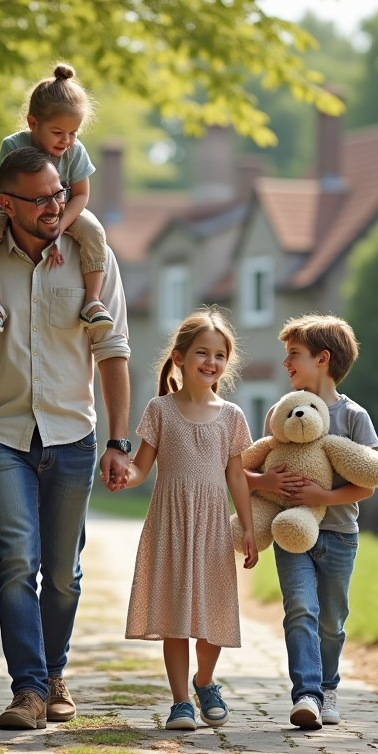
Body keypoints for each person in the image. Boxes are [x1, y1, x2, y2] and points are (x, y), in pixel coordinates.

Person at [0, 146, 132, 730]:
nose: (55, 206)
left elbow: (113, 351)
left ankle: (54, 673)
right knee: (17, 562)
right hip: (1, 436)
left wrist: (119, 441)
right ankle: (27, 689)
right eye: (41, 198)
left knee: (65, 572)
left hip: (73, 434)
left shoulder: (90, 257)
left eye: (58, 193)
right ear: (7, 203)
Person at [121, 308, 259, 730]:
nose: (211, 362)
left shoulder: (232, 415)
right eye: (203, 352)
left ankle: (205, 681)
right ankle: (180, 701)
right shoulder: (159, 409)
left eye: (220, 356)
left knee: (212, 611)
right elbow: (142, 468)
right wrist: (122, 475)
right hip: (172, 524)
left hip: (214, 526)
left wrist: (249, 527)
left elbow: (236, 473)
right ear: (179, 357)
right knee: (175, 614)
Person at [247, 314, 378, 730]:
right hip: (290, 529)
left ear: (323, 359)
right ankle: (306, 694)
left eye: (293, 355)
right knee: (300, 610)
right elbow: (250, 465)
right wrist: (263, 482)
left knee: (332, 619)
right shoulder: (281, 412)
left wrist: (323, 497)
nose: (285, 362)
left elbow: (369, 482)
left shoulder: (354, 416)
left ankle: (329, 687)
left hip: (340, 534)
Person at [0, 63, 113, 335]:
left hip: (62, 209)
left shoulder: (75, 151)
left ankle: (93, 301)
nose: (66, 141)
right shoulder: (13, 145)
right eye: (58, 133)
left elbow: (81, 195)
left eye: (73, 133)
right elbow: (11, 190)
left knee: (93, 230)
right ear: (33, 123)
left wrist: (58, 231)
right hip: (16, 205)